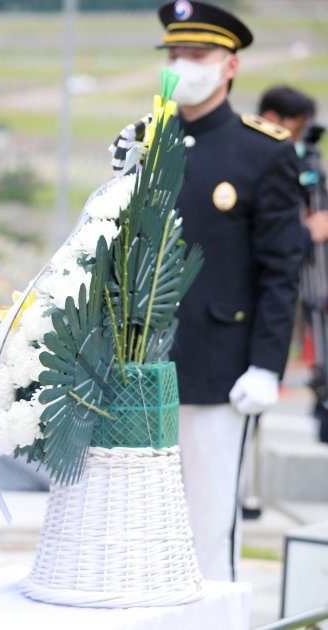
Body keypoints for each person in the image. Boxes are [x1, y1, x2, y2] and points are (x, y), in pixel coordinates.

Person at [149, 1, 303, 581]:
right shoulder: (144, 140)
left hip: (219, 368)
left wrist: (266, 364)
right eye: (174, 53)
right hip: (141, 366)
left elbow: (280, 268)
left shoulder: (263, 151)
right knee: (141, 523)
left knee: (208, 529)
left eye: (198, 54)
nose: (182, 66)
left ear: (230, 65)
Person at [259, 85, 328, 443]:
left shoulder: (305, 162)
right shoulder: (257, 159)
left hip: (310, 270)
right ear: (273, 118)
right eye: (296, 127)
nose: (299, 137)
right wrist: (305, 231)